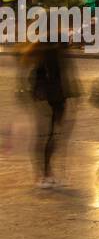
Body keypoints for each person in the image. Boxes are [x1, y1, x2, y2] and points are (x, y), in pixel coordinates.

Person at [24, 37, 77, 188]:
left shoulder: (52, 49)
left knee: (52, 135)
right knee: (48, 135)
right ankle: (44, 173)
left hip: (55, 98)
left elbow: (65, 76)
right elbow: (49, 76)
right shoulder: (49, 51)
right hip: (51, 98)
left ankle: (47, 172)